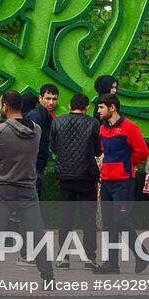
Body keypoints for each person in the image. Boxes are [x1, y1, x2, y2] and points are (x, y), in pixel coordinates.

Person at [0, 90, 56, 290]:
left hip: (2, 189)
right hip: (28, 190)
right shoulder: (37, 130)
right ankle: (48, 278)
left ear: (5, 106)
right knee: (36, 235)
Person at [93, 92, 148, 273]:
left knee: (121, 221)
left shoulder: (129, 127)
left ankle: (141, 254)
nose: (98, 111)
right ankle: (111, 264)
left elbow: (142, 152)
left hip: (123, 182)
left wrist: (128, 166)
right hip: (107, 181)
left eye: (101, 107)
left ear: (112, 108)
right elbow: (102, 150)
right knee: (109, 223)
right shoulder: (102, 128)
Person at [51, 92, 101, 269]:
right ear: (86, 107)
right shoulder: (93, 123)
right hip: (87, 177)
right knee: (88, 219)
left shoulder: (57, 121)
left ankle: (63, 257)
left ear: (70, 105)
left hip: (65, 177)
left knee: (65, 218)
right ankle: (90, 257)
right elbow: (97, 150)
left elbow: (53, 147)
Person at [25, 83, 59, 195]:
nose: (51, 102)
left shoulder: (46, 115)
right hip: (33, 164)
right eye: (48, 98)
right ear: (40, 98)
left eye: (54, 99)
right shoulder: (37, 115)